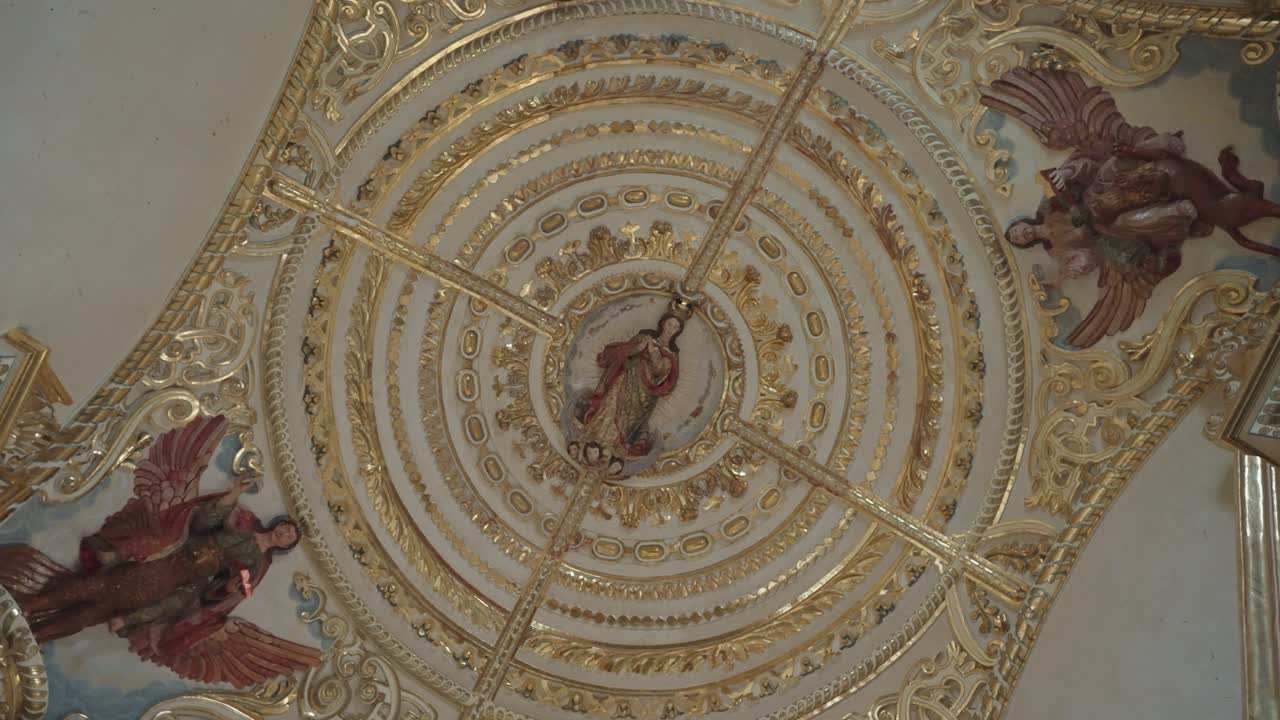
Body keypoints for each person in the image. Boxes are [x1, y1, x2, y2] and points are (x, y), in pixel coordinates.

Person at [573, 313, 683, 460]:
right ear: (663, 324)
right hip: (625, 378)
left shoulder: (672, 353)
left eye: (675, 327)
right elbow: (624, 352)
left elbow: (661, 373)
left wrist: (654, 355)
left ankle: (610, 447)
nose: (671, 329)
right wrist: (639, 347)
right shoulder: (645, 337)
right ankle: (593, 439)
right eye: (669, 324)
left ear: (678, 331)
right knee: (610, 406)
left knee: (627, 420)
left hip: (644, 393)